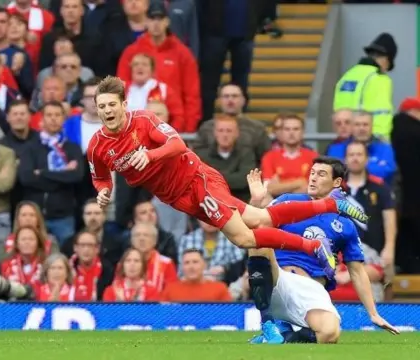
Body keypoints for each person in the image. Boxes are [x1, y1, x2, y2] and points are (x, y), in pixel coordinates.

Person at [87, 76, 369, 278]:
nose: (107, 111)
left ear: (124, 104)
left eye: (112, 104)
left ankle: (314, 239)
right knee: (258, 220)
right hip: (178, 199)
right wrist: (102, 190)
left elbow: (178, 145)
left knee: (246, 237)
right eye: (102, 107)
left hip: (196, 181)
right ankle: (328, 209)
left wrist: (150, 155)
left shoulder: (144, 121)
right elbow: (100, 177)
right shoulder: (97, 146)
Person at [243, 164, 398, 344]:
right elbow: (246, 231)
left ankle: (283, 337)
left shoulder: (344, 224)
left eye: (321, 174)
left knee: (330, 333)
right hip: (278, 281)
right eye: (312, 173)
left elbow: (357, 271)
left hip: (311, 291)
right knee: (258, 237)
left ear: (337, 182)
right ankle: (268, 324)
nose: (313, 178)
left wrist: (373, 313)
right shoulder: (287, 200)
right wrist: (255, 202)